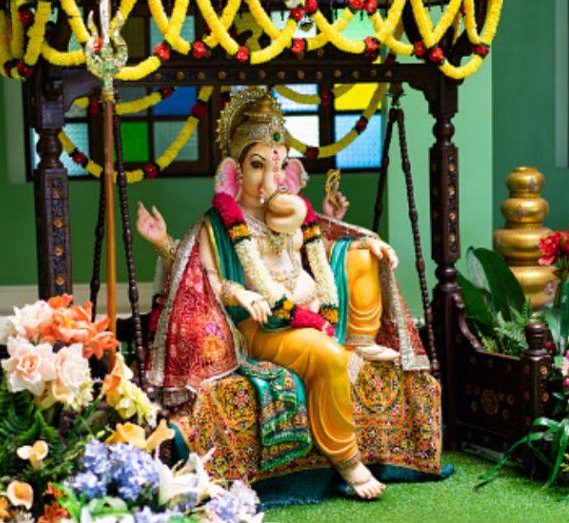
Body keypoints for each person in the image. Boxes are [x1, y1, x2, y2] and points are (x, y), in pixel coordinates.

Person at [137, 88, 430, 499]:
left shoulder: (293, 213)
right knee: (328, 355)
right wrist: (239, 293)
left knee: (363, 252)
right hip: (265, 328)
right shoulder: (218, 224)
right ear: (234, 173)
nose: (269, 179)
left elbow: (318, 254)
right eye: (257, 165)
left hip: (317, 314)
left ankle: (361, 340)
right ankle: (347, 459)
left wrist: (351, 232)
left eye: (277, 166)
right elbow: (205, 276)